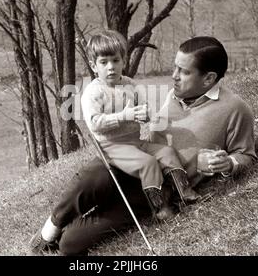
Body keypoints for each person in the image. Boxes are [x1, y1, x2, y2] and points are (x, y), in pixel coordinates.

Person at [29, 36, 257, 256]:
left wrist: (229, 163)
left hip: (157, 189)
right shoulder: (174, 95)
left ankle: (65, 232)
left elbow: (245, 155)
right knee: (95, 174)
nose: (174, 76)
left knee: (70, 245)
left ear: (208, 79)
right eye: (175, 68)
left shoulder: (236, 109)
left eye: (184, 72)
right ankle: (51, 228)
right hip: (133, 165)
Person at [80, 30, 198, 220]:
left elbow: (144, 109)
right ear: (94, 66)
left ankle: (184, 191)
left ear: (123, 62)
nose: (111, 67)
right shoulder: (93, 92)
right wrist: (124, 116)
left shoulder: (130, 84)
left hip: (136, 140)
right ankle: (160, 208)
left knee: (166, 152)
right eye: (104, 62)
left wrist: (145, 115)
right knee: (147, 163)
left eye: (115, 60)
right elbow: (94, 123)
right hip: (112, 147)